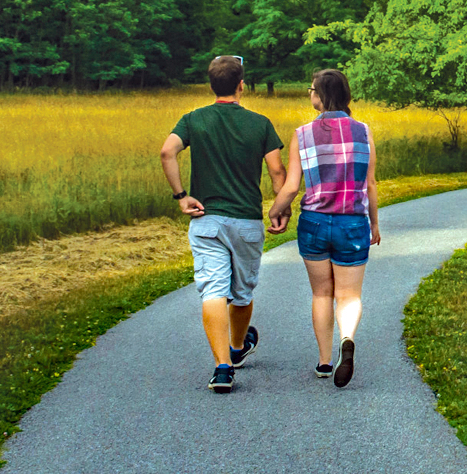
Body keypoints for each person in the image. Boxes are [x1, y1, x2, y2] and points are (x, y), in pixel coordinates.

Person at [160, 55, 288, 394]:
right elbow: (277, 171)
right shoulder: (260, 124)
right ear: (241, 85)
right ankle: (236, 347)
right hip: (246, 220)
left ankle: (222, 368)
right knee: (242, 292)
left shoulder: (193, 120)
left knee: (213, 289)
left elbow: (166, 152)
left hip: (206, 220)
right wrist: (280, 206)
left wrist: (182, 196)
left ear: (211, 85)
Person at [268, 69, 380, 388]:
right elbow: (370, 183)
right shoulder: (363, 131)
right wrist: (374, 222)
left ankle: (324, 361)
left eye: (310, 90)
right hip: (352, 222)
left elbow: (290, 187)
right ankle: (347, 339)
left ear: (319, 95)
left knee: (321, 293)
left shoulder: (302, 134)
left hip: (315, 222)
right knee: (348, 295)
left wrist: (276, 212)